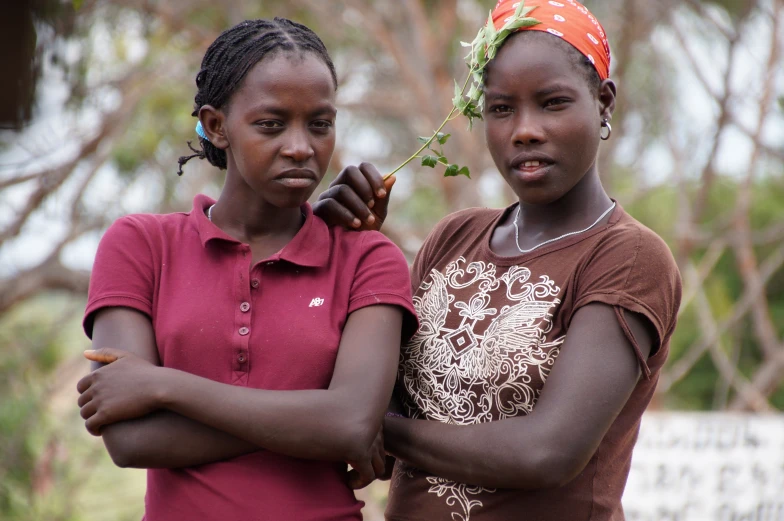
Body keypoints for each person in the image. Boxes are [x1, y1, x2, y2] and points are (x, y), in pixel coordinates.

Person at [313, 1, 682, 519]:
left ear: (603, 102)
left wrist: (367, 423)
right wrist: (334, 253)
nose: (524, 130)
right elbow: (373, 411)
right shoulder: (452, 237)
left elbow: (546, 453)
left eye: (552, 103)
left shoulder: (626, 257)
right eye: (501, 108)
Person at [75, 17, 417, 521]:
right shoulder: (142, 246)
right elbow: (130, 440)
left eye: (320, 124)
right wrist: (311, 420)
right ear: (217, 126)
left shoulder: (367, 258)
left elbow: (348, 426)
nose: (301, 146)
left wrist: (164, 386)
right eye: (271, 124)